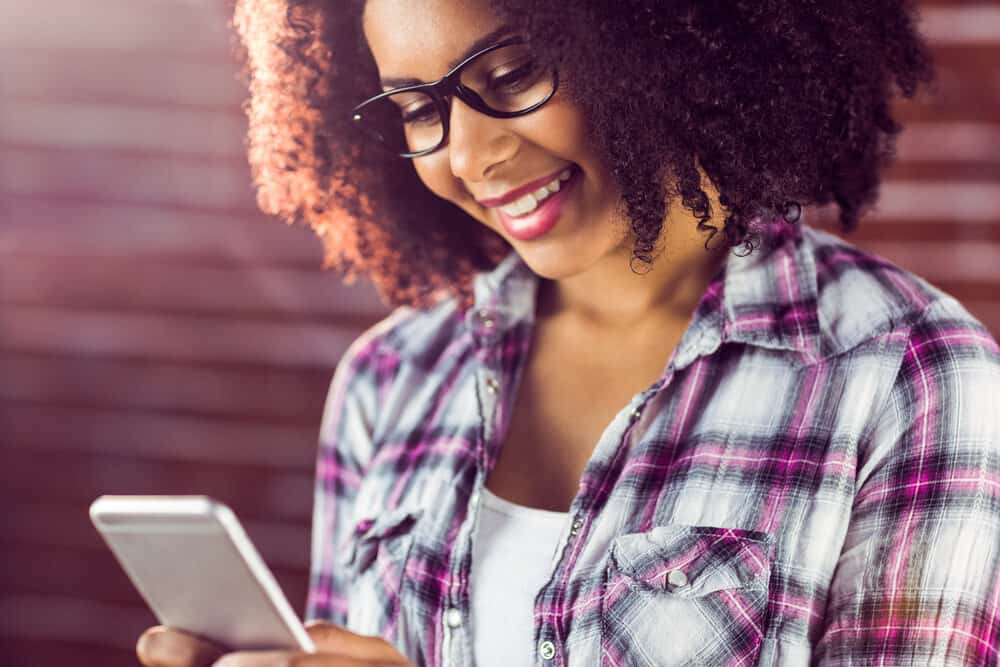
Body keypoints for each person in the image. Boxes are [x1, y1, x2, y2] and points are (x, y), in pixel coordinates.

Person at [136, 0, 1000, 665]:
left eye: (510, 75)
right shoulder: (388, 377)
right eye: (415, 109)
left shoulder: (910, 378)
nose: (471, 158)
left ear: (660, 35)